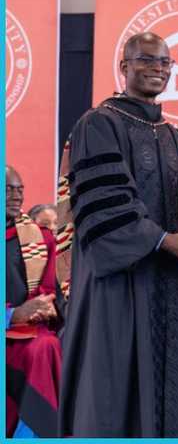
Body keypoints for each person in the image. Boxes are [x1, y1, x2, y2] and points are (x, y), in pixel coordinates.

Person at [58, 32, 178, 437]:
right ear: (124, 67)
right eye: (146, 61)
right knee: (115, 384)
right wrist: (162, 241)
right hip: (120, 282)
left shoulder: (174, 137)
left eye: (164, 63)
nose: (157, 70)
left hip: (168, 280)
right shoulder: (98, 124)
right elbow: (106, 204)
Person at [6, 167, 63, 438]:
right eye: (8, 189)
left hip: (26, 331)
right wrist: (11, 314)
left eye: (20, 190)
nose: (16, 197)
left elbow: (48, 290)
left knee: (45, 345)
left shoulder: (40, 239)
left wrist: (43, 306)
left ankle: (32, 435)